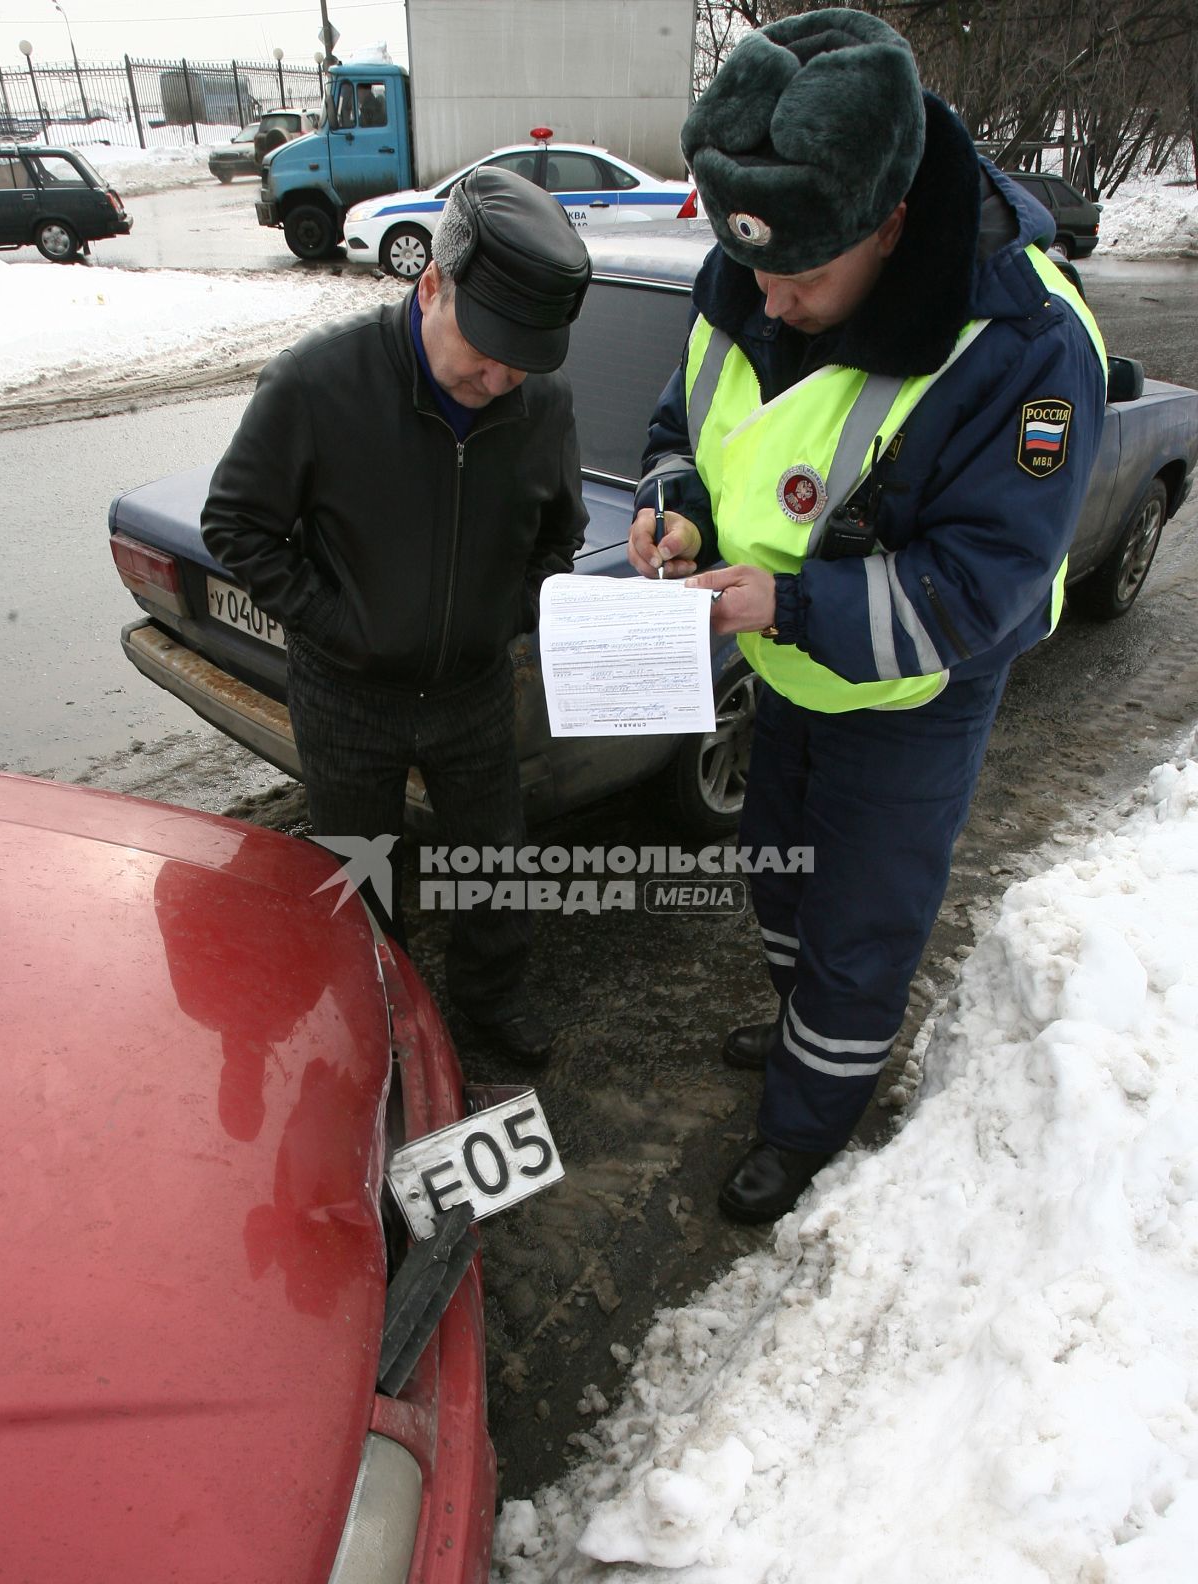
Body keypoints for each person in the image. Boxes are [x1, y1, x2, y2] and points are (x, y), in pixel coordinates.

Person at [628, 8, 1107, 1223]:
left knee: (857, 925)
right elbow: (688, 425)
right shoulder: (753, 267)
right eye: (757, 274)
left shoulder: (1023, 344)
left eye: (804, 281)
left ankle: (808, 1127)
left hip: (905, 703)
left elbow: (980, 586)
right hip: (782, 673)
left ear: (887, 225)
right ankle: (803, 1037)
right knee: (781, 883)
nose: (771, 304)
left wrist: (785, 601)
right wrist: (675, 508)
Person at [202, 166, 591, 1066]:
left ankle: (489, 1005)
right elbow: (236, 523)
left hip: (474, 692)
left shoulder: (541, 405)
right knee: (359, 871)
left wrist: (500, 617)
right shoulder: (318, 384)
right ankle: (380, 1022)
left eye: (522, 361)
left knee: (497, 866)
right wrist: (334, 624)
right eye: (485, 347)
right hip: (347, 695)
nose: (498, 378)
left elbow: (557, 538)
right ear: (430, 286)